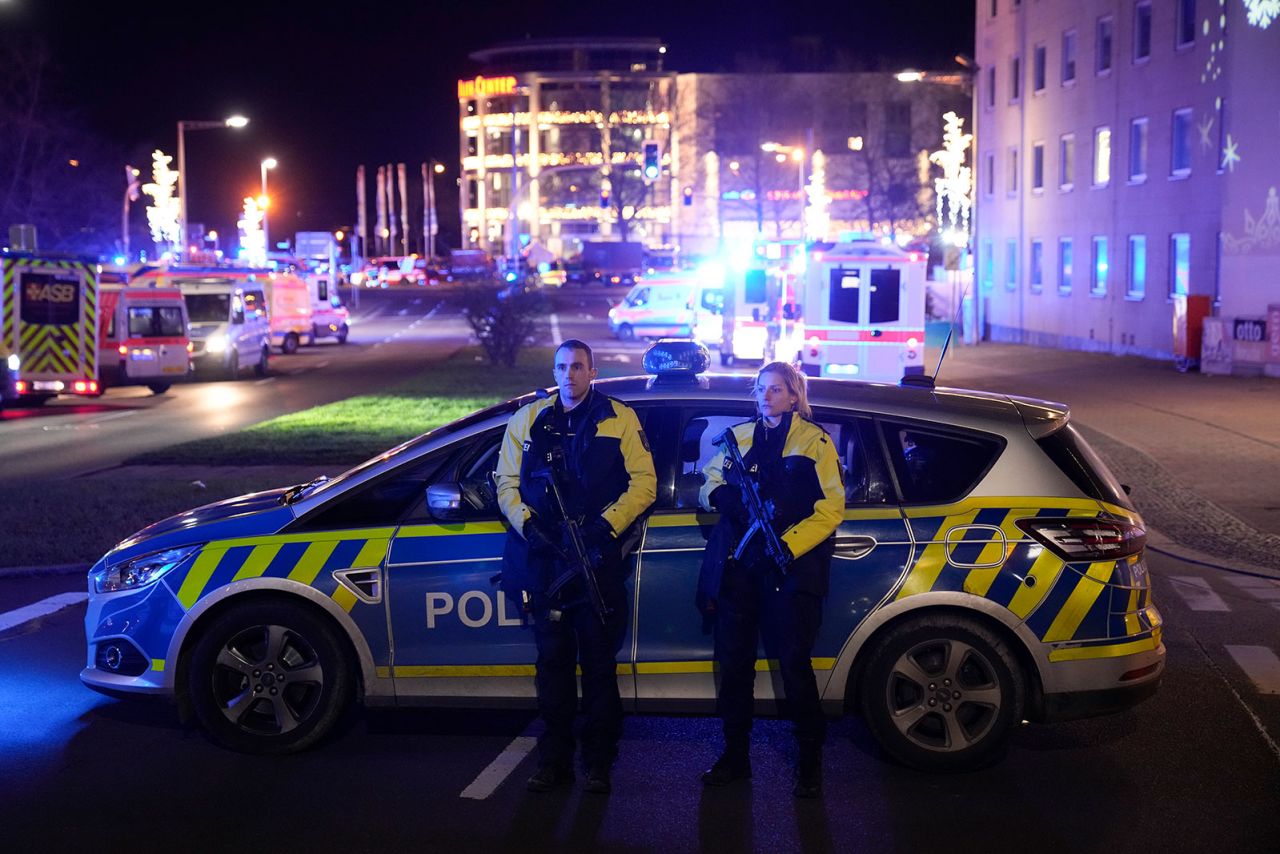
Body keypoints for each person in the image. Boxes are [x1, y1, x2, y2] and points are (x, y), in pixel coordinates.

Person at [495, 339, 656, 795]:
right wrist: (529, 527)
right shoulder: (528, 419)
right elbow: (506, 482)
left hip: (596, 561)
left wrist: (605, 527)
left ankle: (599, 763)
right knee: (552, 668)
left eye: (578, 367)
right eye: (562, 367)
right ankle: (554, 763)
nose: (569, 375)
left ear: (593, 371)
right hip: (546, 561)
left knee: (600, 670)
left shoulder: (619, 418)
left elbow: (645, 484)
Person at [697, 361, 844, 798]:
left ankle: (810, 762)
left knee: (795, 668)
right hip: (740, 572)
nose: (766, 396)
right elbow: (706, 482)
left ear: (794, 396)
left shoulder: (815, 441)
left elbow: (832, 508)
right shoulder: (738, 438)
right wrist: (721, 495)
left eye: (776, 390)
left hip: (790, 572)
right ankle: (735, 757)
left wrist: (787, 545)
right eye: (761, 389)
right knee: (735, 667)